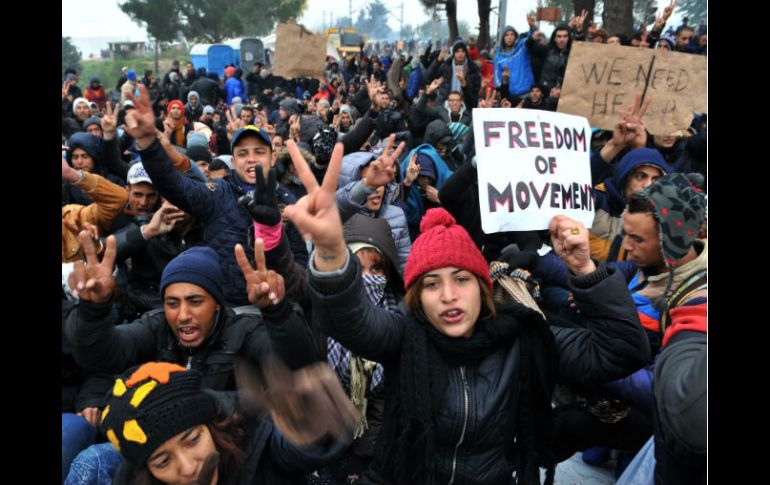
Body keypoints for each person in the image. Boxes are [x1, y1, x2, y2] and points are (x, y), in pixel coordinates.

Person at [280, 140, 650, 484]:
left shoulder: (522, 335)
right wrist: (330, 252)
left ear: (482, 287)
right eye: (431, 283)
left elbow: (621, 350)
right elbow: (349, 319)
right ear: (416, 298)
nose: (448, 296)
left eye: (461, 279)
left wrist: (585, 270)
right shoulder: (405, 336)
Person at [79, 361, 354, 484]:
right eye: (163, 462)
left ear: (212, 426)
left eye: (193, 440)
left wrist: (312, 429)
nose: (188, 468)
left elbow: (291, 451)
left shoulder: (251, 433)